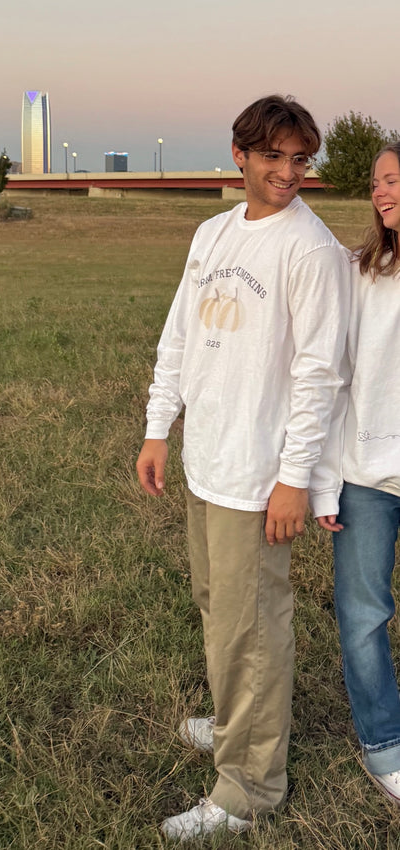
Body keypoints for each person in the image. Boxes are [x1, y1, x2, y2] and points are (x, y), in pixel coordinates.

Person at [136, 94, 350, 841]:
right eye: (273, 156)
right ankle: (235, 722)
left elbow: (320, 376)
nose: (288, 172)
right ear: (241, 155)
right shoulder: (213, 233)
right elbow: (179, 339)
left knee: (251, 628)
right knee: (217, 605)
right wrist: (158, 429)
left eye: (299, 159)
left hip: (260, 475)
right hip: (208, 460)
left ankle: (250, 786)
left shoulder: (311, 251)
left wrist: (293, 478)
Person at [312, 141, 400, 806]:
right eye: (374, 182)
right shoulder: (359, 271)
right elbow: (328, 375)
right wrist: (321, 477)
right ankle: (383, 747)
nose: (379, 192)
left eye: (392, 179)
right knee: (363, 615)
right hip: (366, 473)